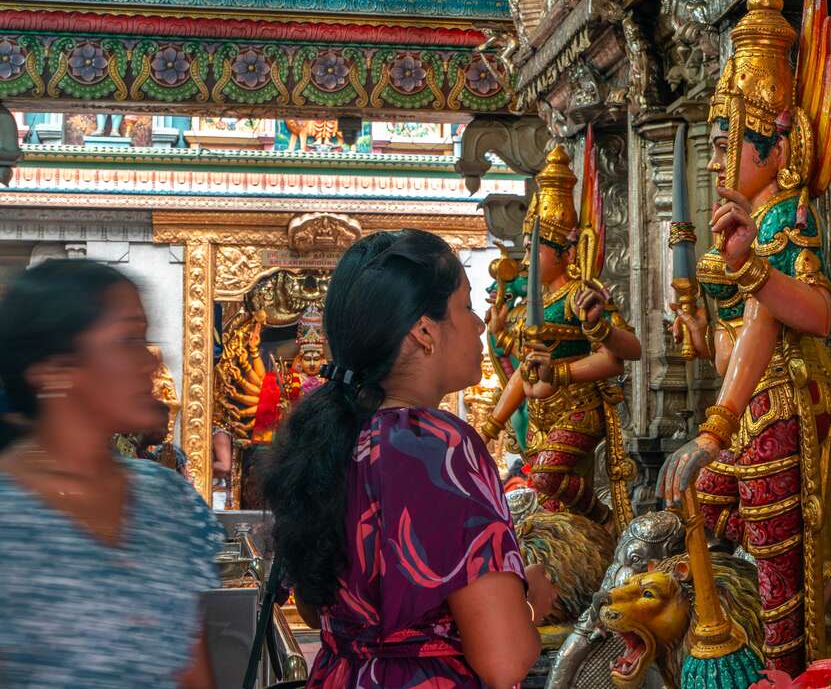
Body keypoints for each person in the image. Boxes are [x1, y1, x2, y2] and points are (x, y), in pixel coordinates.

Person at [263, 229, 554, 689]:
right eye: (465, 306)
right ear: (423, 330)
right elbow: (505, 659)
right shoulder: (438, 448)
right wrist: (531, 599)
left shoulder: (333, 433)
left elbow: (312, 605)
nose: (480, 325)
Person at [0, 259, 222, 688]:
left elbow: (191, 671)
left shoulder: (168, 500)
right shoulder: (10, 515)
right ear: (55, 369)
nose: (151, 364)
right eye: (128, 340)